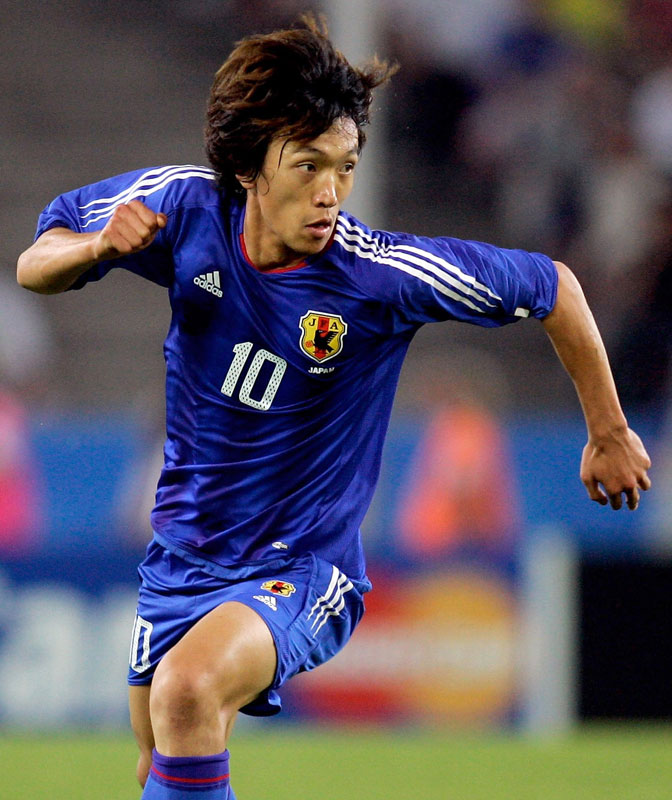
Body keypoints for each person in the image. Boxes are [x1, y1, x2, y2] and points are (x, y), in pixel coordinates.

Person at [16, 15, 651, 800]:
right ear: (248, 165)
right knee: (165, 760)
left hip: (302, 568)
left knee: (187, 690)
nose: (330, 194)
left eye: (346, 167)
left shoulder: (378, 277)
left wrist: (609, 430)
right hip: (179, 558)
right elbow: (39, 258)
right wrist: (96, 250)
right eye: (309, 165)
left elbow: (555, 286)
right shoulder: (184, 210)